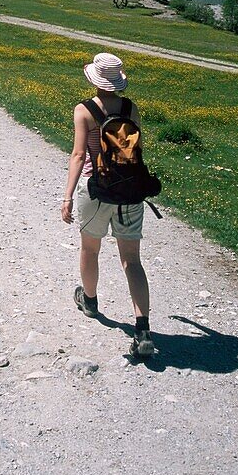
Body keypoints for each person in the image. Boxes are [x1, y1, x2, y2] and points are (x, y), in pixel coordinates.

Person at [60, 52, 154, 358]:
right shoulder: (131, 109)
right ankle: (142, 329)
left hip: (97, 189)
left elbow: (78, 156)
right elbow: (135, 150)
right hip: (130, 192)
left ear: (94, 80)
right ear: (118, 82)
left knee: (90, 248)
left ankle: (89, 300)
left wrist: (67, 196)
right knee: (132, 260)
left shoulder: (84, 110)